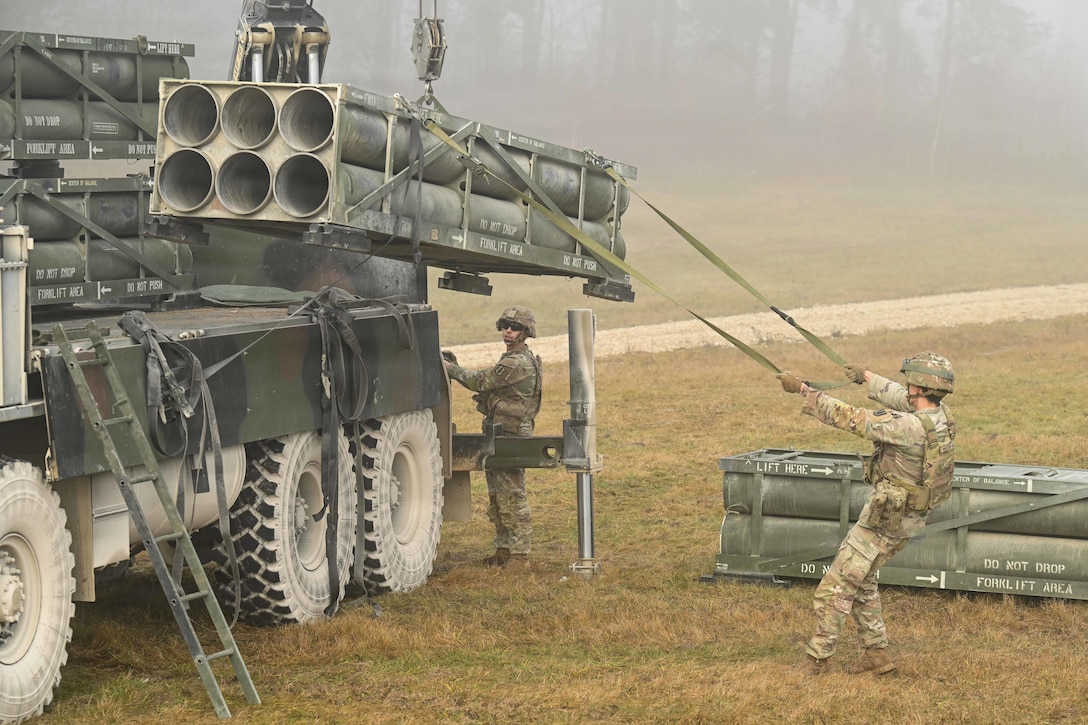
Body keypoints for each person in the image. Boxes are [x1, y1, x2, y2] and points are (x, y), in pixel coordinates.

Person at [776, 352, 956, 676]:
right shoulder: (938, 416)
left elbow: (849, 417)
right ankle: (877, 655)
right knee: (863, 579)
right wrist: (867, 377)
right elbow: (899, 397)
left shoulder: (906, 426)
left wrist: (802, 389)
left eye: (909, 382)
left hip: (884, 522)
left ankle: (816, 661)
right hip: (907, 519)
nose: (906, 387)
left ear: (918, 386)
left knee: (837, 585)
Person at [444, 306, 542, 569]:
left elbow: (479, 381)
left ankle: (519, 555)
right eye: (505, 326)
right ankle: (503, 551)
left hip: (511, 434)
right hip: (500, 431)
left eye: (515, 327)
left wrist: (451, 369)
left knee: (512, 494)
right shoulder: (516, 359)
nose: (508, 331)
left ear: (526, 332)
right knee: (498, 495)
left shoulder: (516, 363)